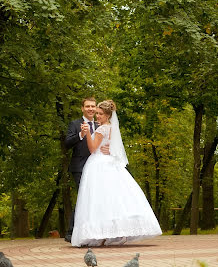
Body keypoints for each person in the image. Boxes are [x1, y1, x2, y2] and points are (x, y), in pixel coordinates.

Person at [71, 100, 162, 247]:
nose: (97, 116)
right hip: (109, 163)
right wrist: (111, 151)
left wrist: (88, 133)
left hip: (98, 164)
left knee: (99, 199)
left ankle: (102, 234)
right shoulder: (112, 128)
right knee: (113, 198)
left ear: (107, 115)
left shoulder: (101, 129)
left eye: (100, 114)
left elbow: (93, 149)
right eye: (97, 113)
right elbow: (115, 148)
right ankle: (114, 232)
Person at [64, 97, 109, 242]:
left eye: (93, 106)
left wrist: (109, 149)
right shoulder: (75, 124)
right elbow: (67, 143)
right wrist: (81, 135)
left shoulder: (100, 124)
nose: (91, 109)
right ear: (82, 108)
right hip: (80, 167)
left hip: (99, 168)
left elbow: (109, 141)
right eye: (87, 106)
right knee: (83, 197)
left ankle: (93, 231)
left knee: (94, 199)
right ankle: (71, 233)